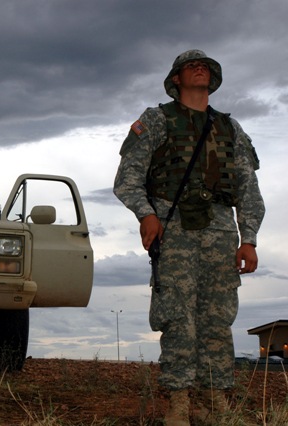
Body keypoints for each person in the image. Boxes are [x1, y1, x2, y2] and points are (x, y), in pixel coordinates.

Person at [113, 50, 264, 425]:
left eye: (206, 66)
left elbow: (248, 188)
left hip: (219, 229)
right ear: (176, 78)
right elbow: (127, 178)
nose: (199, 68)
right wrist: (147, 214)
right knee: (178, 316)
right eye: (190, 66)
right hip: (173, 224)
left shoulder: (231, 130)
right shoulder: (157, 120)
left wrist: (249, 239)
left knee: (217, 317)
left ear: (213, 79)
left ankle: (213, 402)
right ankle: (178, 403)